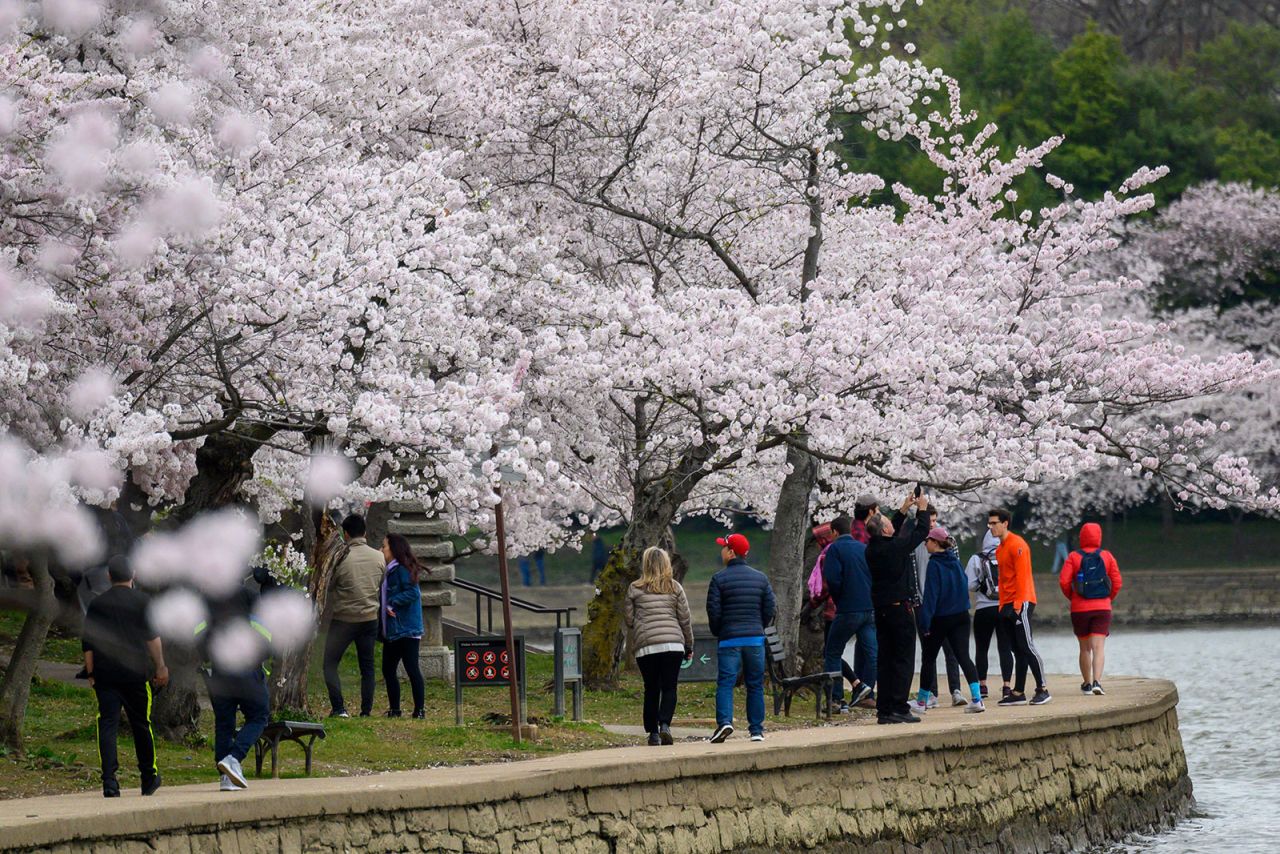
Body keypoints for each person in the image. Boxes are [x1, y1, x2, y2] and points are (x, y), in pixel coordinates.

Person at [80, 555, 168, 798]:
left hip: (106, 674)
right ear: (134, 575)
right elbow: (152, 639)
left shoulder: (97, 604)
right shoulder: (142, 602)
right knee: (142, 724)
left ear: (109, 576)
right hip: (135, 674)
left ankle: (110, 781)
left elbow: (88, 643)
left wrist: (90, 673)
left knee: (107, 724)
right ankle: (148, 776)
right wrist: (161, 666)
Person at [195, 585, 271, 792]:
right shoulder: (250, 596)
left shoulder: (209, 597)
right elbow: (264, 631)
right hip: (247, 666)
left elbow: (199, 631)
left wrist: (206, 656)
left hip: (220, 670)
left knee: (224, 723)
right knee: (259, 715)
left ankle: (226, 779)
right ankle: (234, 758)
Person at [865, 491, 931, 724]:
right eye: (886, 522)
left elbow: (888, 529)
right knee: (903, 659)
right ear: (884, 531)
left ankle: (885, 709)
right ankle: (900, 707)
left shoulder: (872, 548)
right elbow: (921, 533)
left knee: (885, 659)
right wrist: (922, 509)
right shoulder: (894, 548)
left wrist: (903, 510)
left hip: (881, 610)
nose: (890, 524)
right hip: (899, 610)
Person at [705, 533, 775, 743]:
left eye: (724, 547)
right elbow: (770, 607)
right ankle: (756, 730)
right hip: (754, 639)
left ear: (731, 552)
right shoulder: (761, 578)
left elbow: (713, 610)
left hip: (730, 639)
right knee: (755, 684)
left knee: (726, 683)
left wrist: (720, 631)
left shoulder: (719, 579)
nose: (722, 551)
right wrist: (758, 626)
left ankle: (725, 722)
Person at [623, 546, 694, 745]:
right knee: (669, 687)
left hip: (647, 646)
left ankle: (653, 733)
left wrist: (640, 627)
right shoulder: (675, 587)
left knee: (651, 688)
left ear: (645, 564)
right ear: (666, 565)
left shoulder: (634, 588)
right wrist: (689, 645)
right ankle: (665, 724)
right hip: (673, 644)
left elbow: (629, 619)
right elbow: (685, 619)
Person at [913, 527, 985, 713]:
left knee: (928, 657)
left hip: (941, 617)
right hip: (961, 616)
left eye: (928, 540)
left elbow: (931, 595)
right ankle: (977, 699)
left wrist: (924, 622)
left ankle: (921, 702)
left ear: (936, 543)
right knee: (963, 656)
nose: (925, 543)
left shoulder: (934, 565)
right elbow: (964, 586)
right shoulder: (955, 561)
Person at [323, 513, 386, 718]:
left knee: (330, 663)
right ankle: (366, 710)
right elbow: (381, 583)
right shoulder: (379, 557)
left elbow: (330, 586)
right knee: (367, 667)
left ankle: (339, 708)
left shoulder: (340, 557)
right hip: (369, 618)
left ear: (346, 533)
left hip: (344, 619)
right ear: (365, 532)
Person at [989, 508, 1051, 706]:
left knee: (1027, 645)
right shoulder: (999, 550)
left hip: (1022, 601)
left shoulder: (1018, 545)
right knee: (1016, 648)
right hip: (1006, 603)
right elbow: (1003, 580)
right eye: (989, 523)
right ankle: (1018, 692)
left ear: (1005, 523)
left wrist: (1017, 606)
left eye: (994, 523)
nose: (991, 527)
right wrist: (1002, 607)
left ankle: (1042, 688)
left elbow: (1023, 577)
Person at [1058, 522, 1123, 696]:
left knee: (1084, 648)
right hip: (1102, 608)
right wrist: (1108, 599)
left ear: (1081, 537)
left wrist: (1073, 597)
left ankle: (1086, 684)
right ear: (1099, 537)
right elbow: (1117, 582)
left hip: (1079, 609)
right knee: (1099, 647)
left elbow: (1064, 581)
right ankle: (1097, 682)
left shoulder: (1073, 557)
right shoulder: (1107, 556)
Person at [821, 515, 876, 712]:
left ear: (834, 532)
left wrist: (838, 600)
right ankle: (867, 693)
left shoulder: (834, 549)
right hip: (869, 609)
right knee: (872, 653)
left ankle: (836, 699)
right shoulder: (863, 548)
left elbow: (833, 579)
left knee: (832, 652)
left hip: (847, 609)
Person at [912, 504, 963, 707]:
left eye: (934, 521)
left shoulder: (948, 541)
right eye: (929, 521)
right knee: (928, 651)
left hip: (944, 605)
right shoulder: (914, 543)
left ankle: (956, 690)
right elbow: (912, 572)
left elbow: (956, 570)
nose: (932, 525)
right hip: (922, 602)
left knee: (952, 649)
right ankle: (931, 693)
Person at [380, 533, 426, 718]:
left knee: (411, 668)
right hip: (396, 628)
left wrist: (393, 602)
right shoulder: (392, 569)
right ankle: (396, 709)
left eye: (384, 546)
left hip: (406, 628)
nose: (381, 550)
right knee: (389, 669)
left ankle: (419, 709)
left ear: (393, 549)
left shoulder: (400, 569)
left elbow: (413, 592)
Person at [966, 530, 1013, 700]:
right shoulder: (1008, 555)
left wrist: (982, 586)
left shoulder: (976, 558)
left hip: (984, 609)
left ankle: (983, 685)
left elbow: (969, 584)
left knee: (982, 647)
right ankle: (1007, 686)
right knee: (1005, 647)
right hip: (1004, 607)